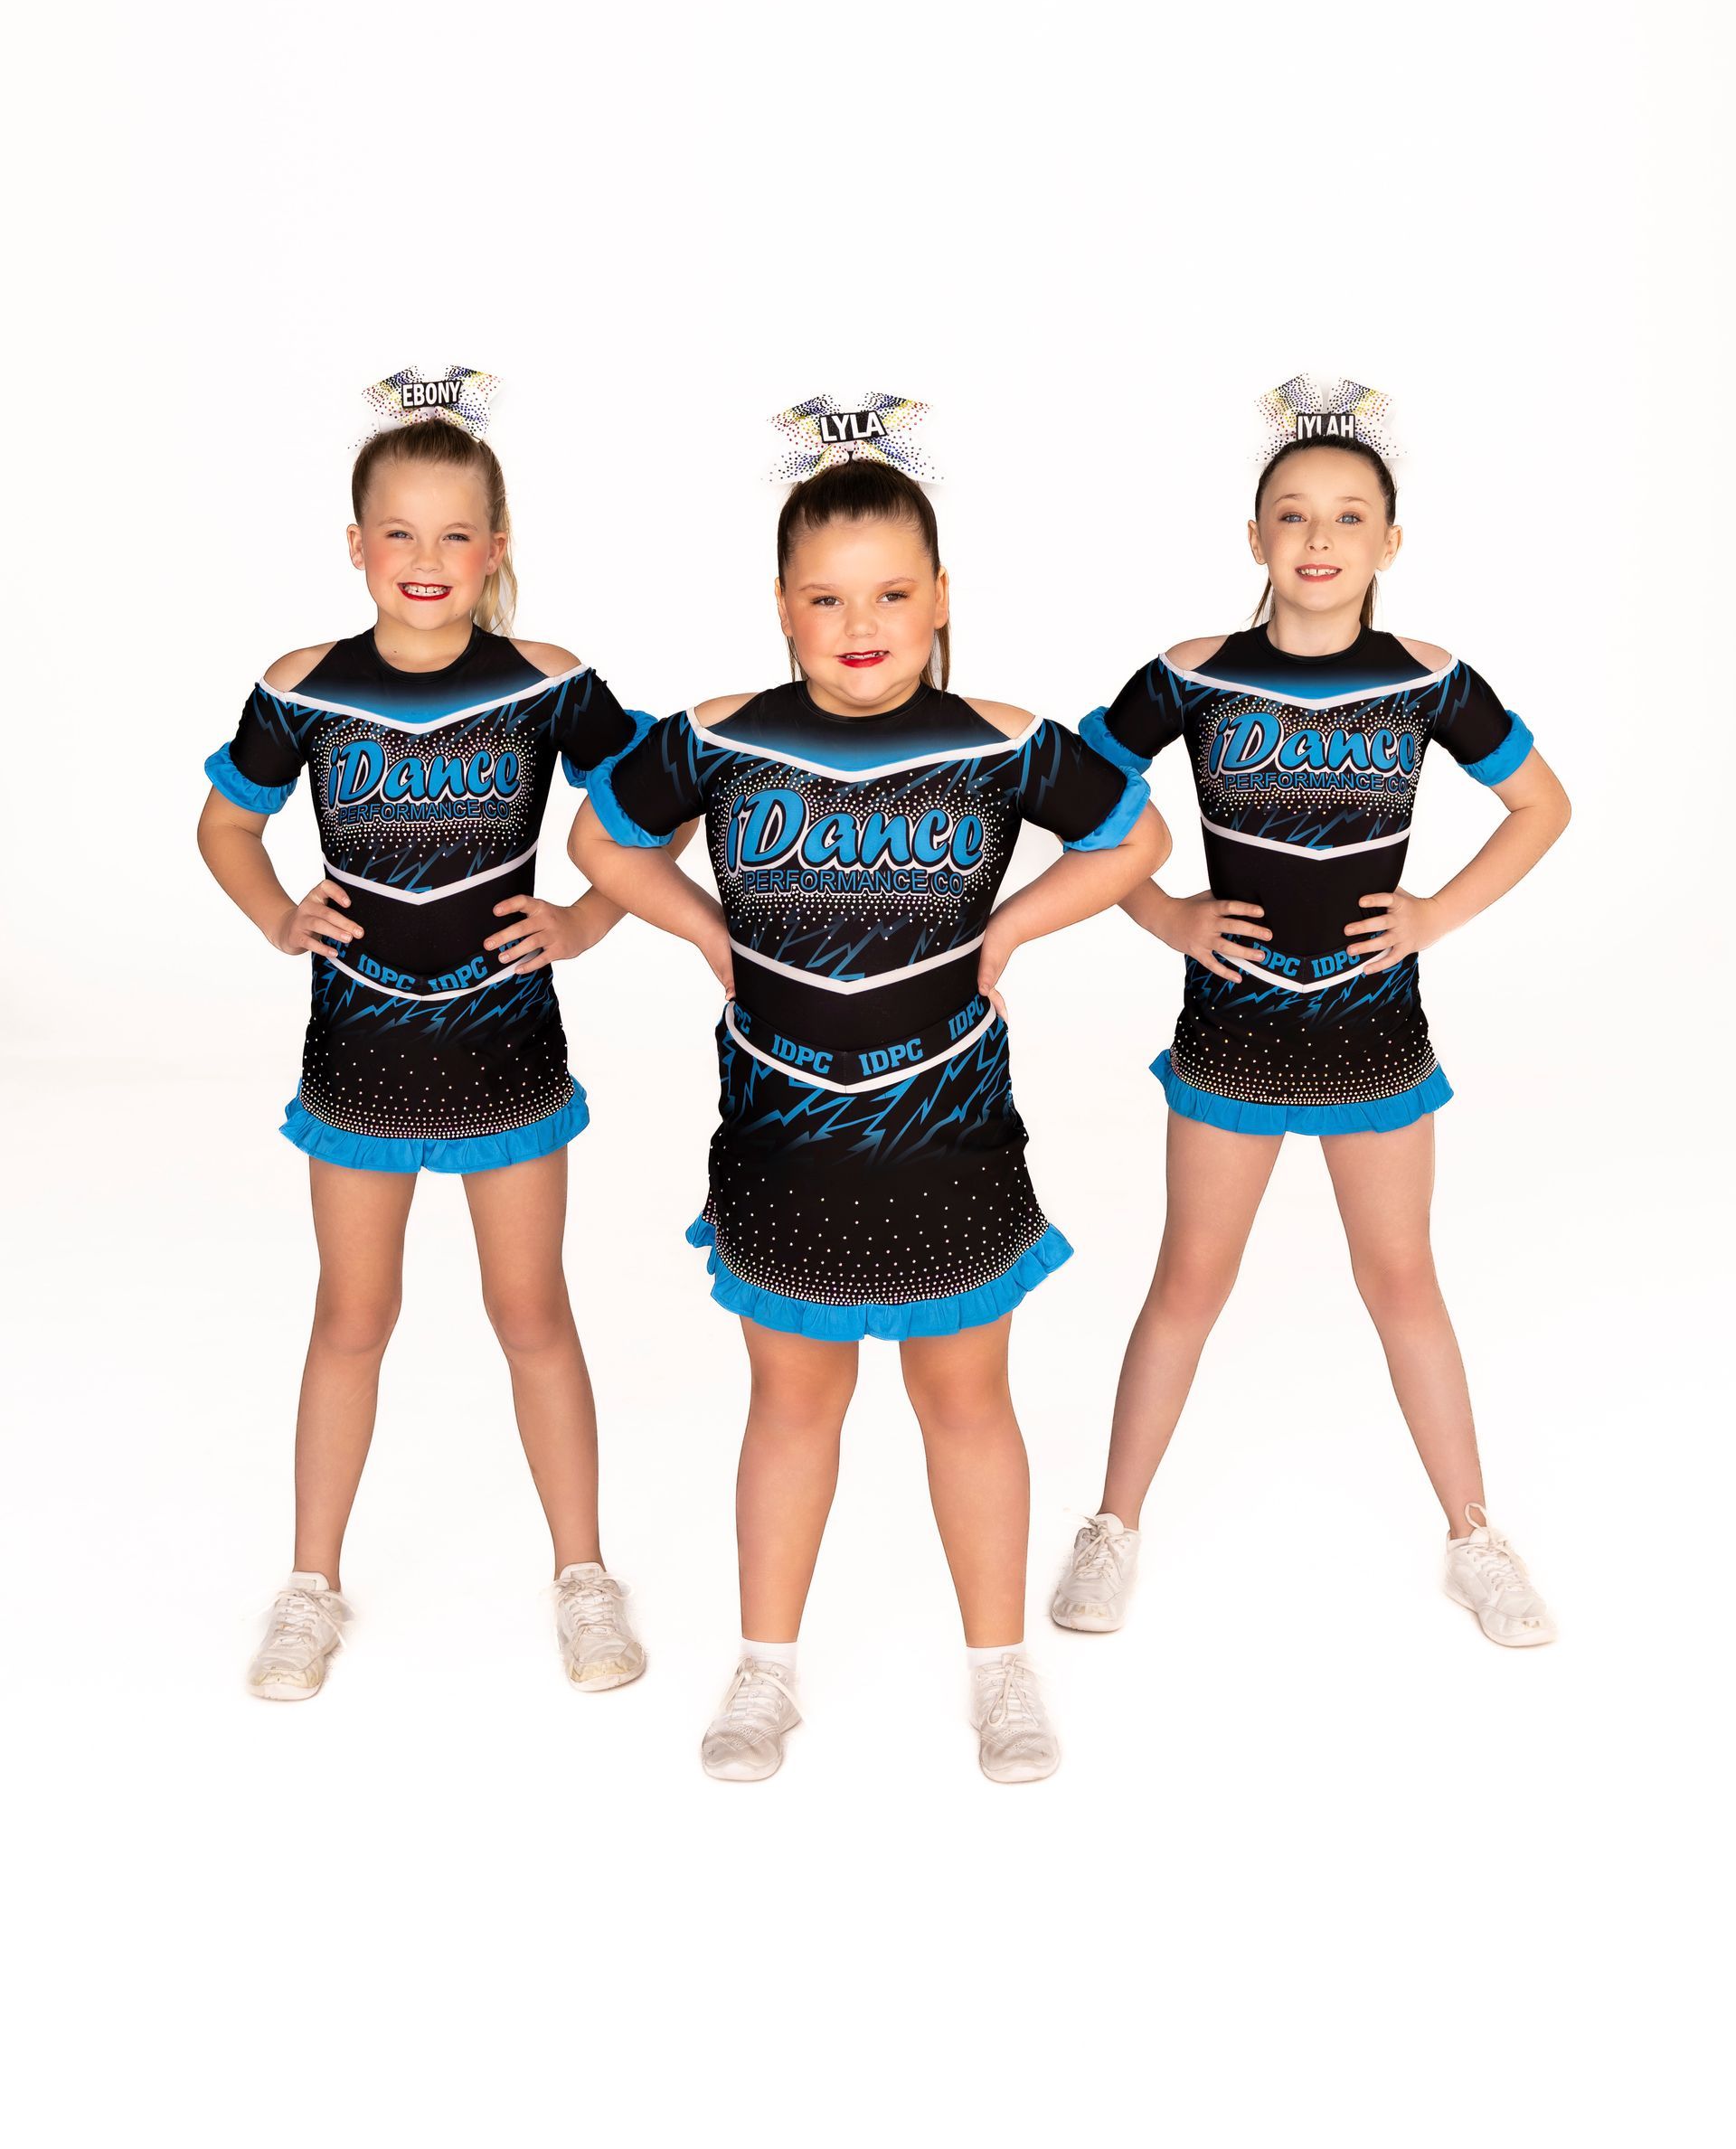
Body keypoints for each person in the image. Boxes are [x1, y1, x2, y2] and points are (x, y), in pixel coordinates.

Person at [571, 398, 1169, 1781]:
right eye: (829, 596)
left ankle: (1000, 1670)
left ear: (942, 597)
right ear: (783, 606)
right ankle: (765, 1671)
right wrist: (707, 932)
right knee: (792, 1405)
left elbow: (1133, 834)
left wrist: (1010, 927)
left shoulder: (999, 738)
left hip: (948, 1137)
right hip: (784, 1137)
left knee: (966, 1400)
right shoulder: (718, 737)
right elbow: (604, 837)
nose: (864, 622)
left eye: (894, 593)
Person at [1053, 376, 1571, 1648]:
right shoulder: (1190, 676)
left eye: (1350, 516)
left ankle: (1475, 1537)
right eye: (1294, 515)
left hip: (1374, 1033)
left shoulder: (1431, 679)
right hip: (1232, 1030)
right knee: (1190, 1280)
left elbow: (1542, 807)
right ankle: (1112, 1526)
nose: (1322, 538)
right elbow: (1075, 802)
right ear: (1255, 540)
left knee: (1402, 1278)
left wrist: (1437, 914)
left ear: (1391, 544)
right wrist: (1167, 911)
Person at [199, 369, 669, 1701]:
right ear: (355, 547)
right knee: (354, 1313)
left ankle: (583, 1574)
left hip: (507, 1051)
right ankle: (310, 1585)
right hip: (357, 1057)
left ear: (496, 549)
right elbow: (226, 823)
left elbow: (659, 805)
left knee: (531, 1311)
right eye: (396, 533)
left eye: (454, 534)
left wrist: (583, 920)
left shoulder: (545, 683)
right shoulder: (303, 687)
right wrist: (276, 914)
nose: (425, 560)